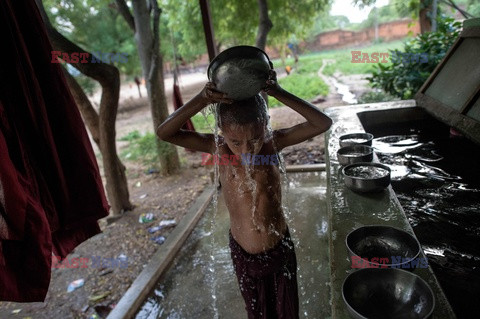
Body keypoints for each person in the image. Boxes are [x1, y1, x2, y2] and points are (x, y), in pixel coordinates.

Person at [156, 70, 332, 318]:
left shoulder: (273, 144)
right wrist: (201, 100)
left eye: (255, 139)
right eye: (235, 142)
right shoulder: (217, 148)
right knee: (256, 312)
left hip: (279, 247)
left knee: (287, 311)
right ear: (221, 131)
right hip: (243, 253)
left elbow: (323, 123)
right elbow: (164, 133)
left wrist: (278, 92)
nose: (247, 149)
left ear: (265, 125)